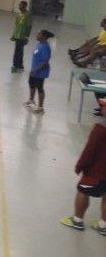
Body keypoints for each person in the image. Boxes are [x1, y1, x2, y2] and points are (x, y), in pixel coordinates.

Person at [60, 97, 106, 234]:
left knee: (82, 191)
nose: (101, 108)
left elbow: (89, 150)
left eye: (103, 106)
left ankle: (77, 220)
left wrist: (79, 166)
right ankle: (103, 225)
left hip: (96, 172)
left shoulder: (100, 128)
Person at [23, 30, 53, 114]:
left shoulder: (45, 47)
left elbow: (45, 62)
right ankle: (31, 100)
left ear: (43, 37)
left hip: (40, 72)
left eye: (39, 34)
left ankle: (40, 108)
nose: (37, 35)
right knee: (31, 83)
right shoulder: (40, 44)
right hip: (34, 70)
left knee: (39, 87)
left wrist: (36, 70)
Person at [11, 1, 32, 73]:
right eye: (19, 5)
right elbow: (16, 25)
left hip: (22, 36)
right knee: (16, 51)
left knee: (20, 52)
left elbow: (29, 27)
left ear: (25, 6)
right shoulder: (18, 14)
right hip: (17, 35)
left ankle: (20, 66)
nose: (20, 7)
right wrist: (13, 35)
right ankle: (15, 66)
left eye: (21, 6)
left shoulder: (28, 15)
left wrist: (26, 37)